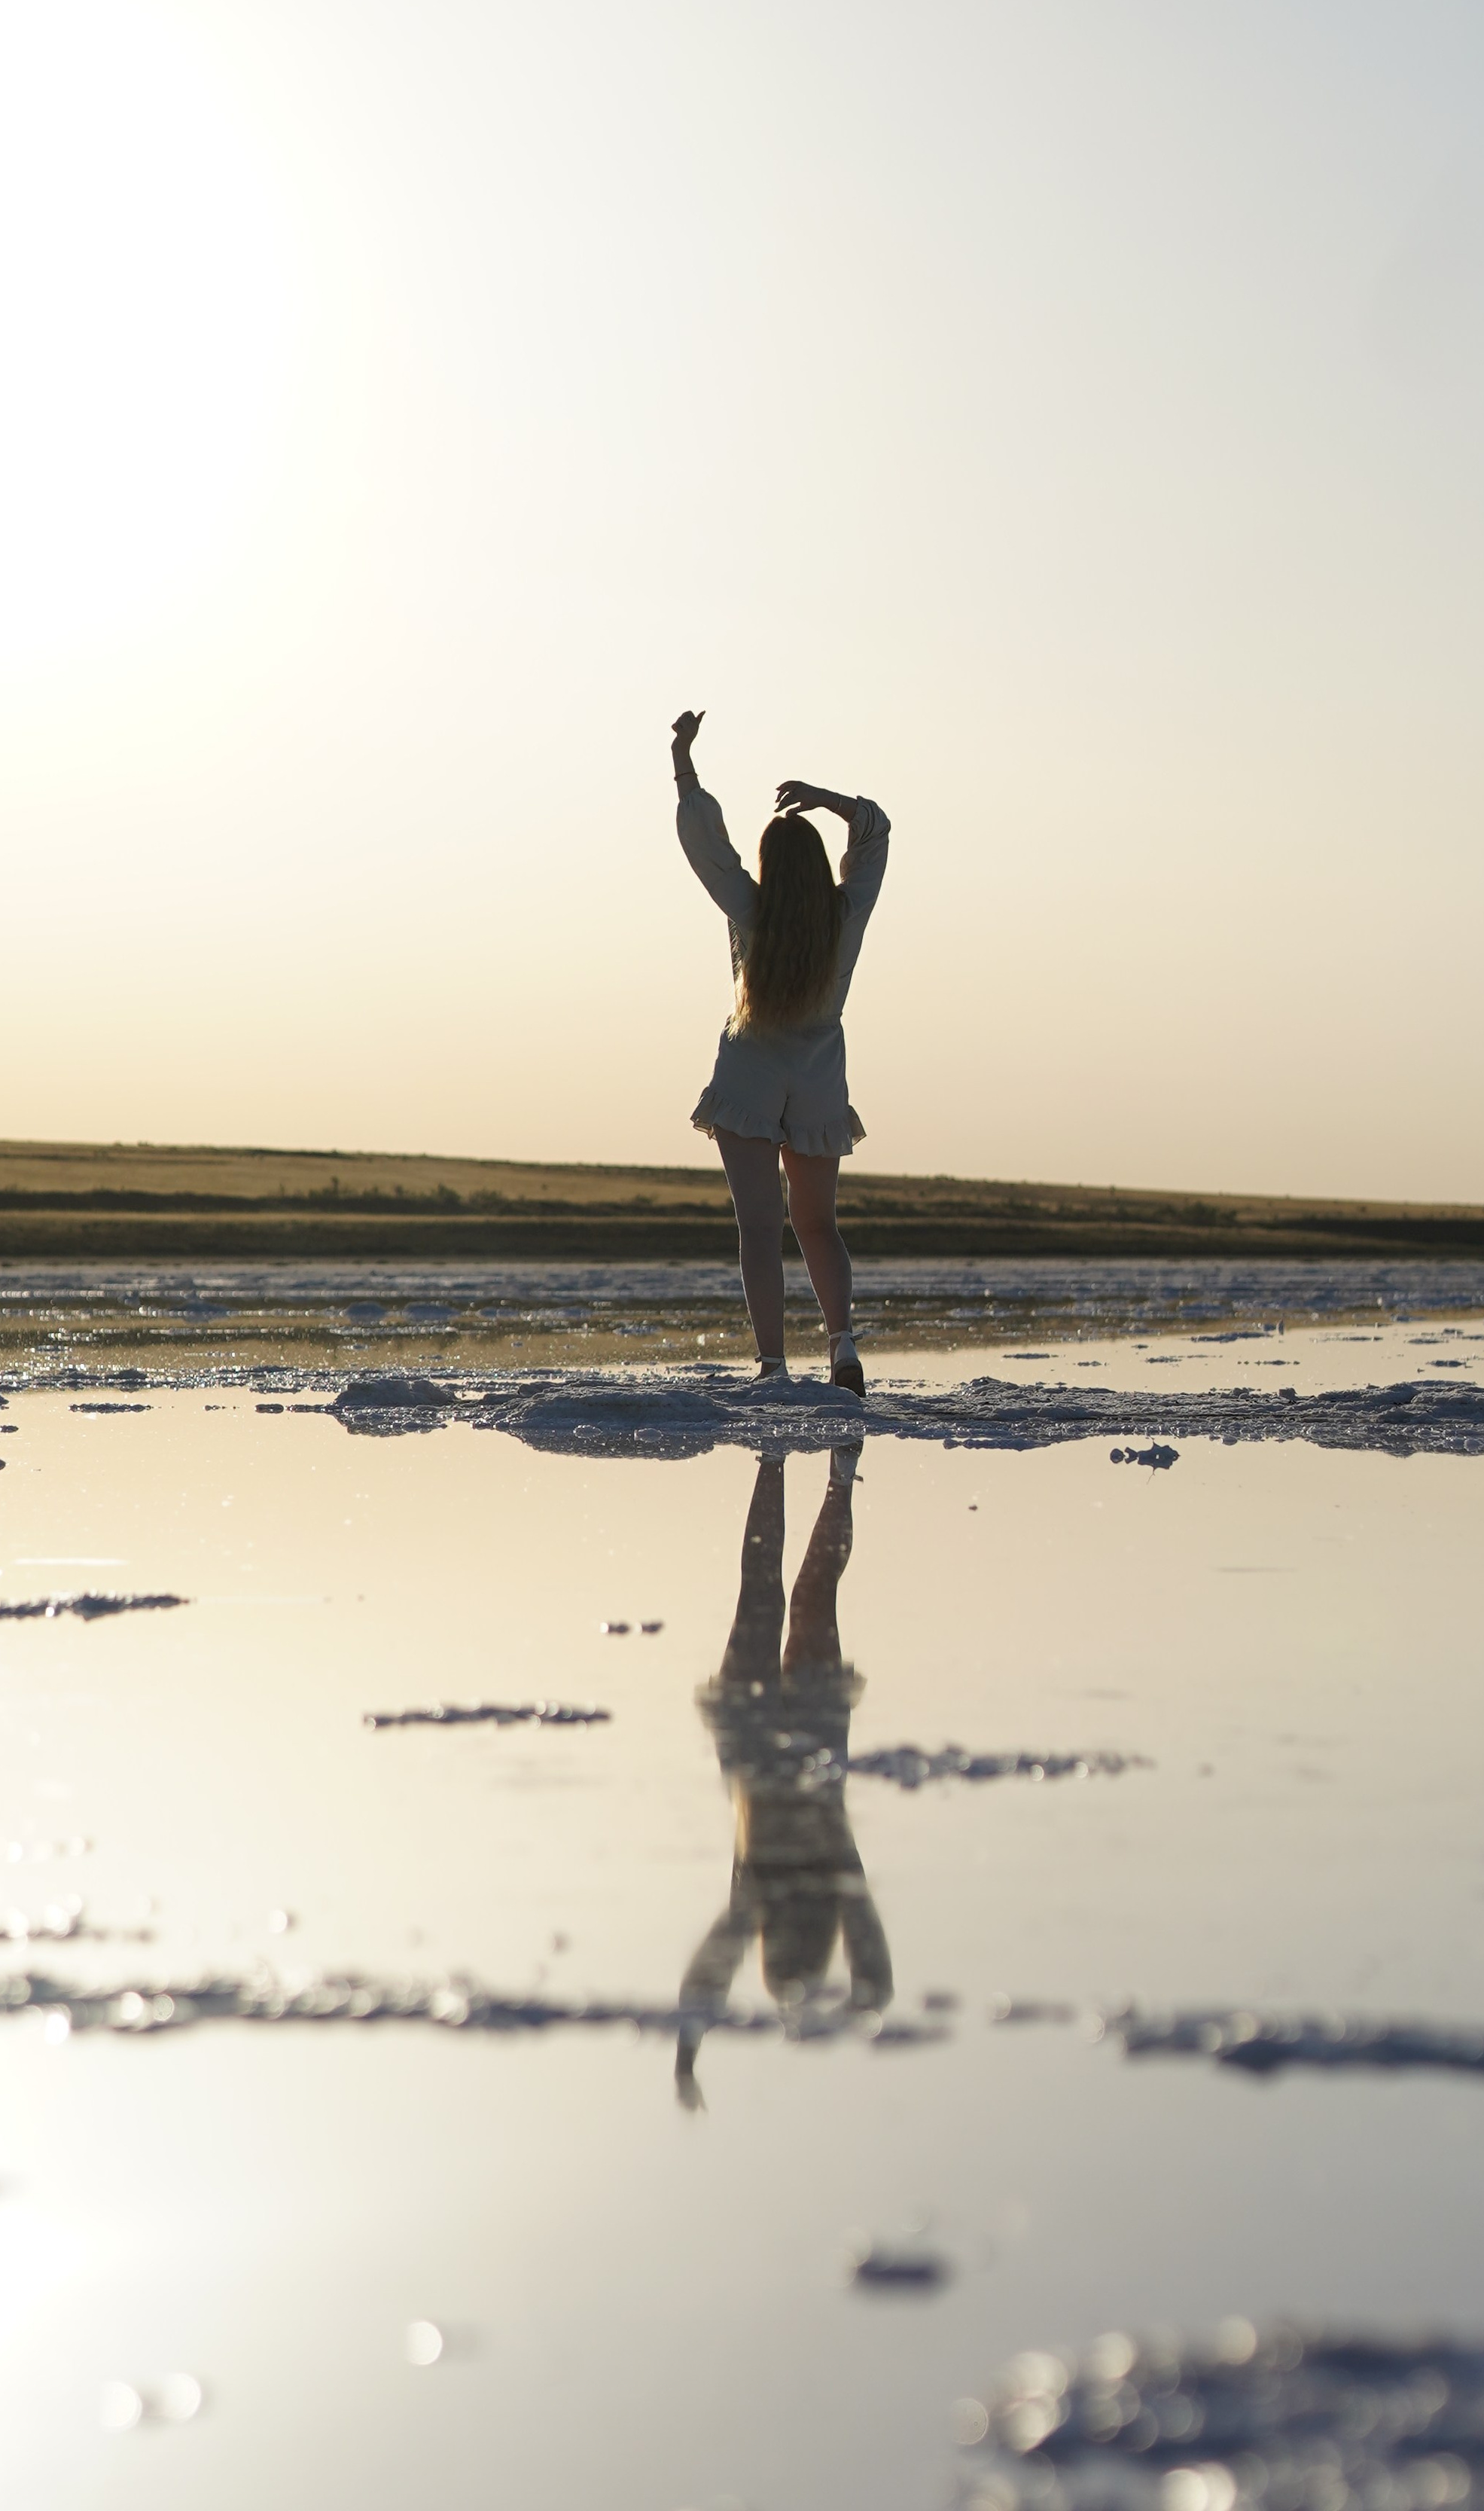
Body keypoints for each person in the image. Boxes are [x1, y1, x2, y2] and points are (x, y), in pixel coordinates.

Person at [671, 709, 890, 1392]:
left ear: (771, 866)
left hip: (752, 1068)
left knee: (760, 1228)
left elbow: (707, 847)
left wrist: (683, 761)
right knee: (818, 1225)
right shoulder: (844, 916)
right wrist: (828, 801)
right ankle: (842, 1345)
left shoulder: (751, 908)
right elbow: (876, 836)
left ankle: (772, 1366)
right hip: (820, 1073)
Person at [674, 1444, 891, 2108]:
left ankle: (816, 1472)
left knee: (791, 1593)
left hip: (785, 1737)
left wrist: (689, 2051)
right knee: (783, 1592)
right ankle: (794, 1466)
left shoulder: (797, 1890)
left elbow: (873, 1977)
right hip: (770, 1739)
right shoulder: (822, 1883)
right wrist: (687, 2052)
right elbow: (716, 1968)